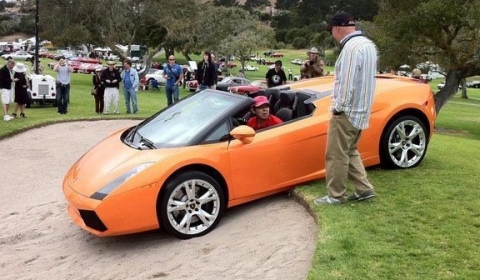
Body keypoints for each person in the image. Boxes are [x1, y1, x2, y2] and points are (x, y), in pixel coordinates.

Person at [314, 12, 377, 205]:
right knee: (350, 150)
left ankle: (335, 195)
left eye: (332, 30)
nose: (333, 35)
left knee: (335, 154)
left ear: (338, 27)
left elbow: (346, 83)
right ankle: (364, 189)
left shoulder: (350, 48)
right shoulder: (369, 45)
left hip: (347, 111)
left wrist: (338, 108)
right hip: (363, 109)